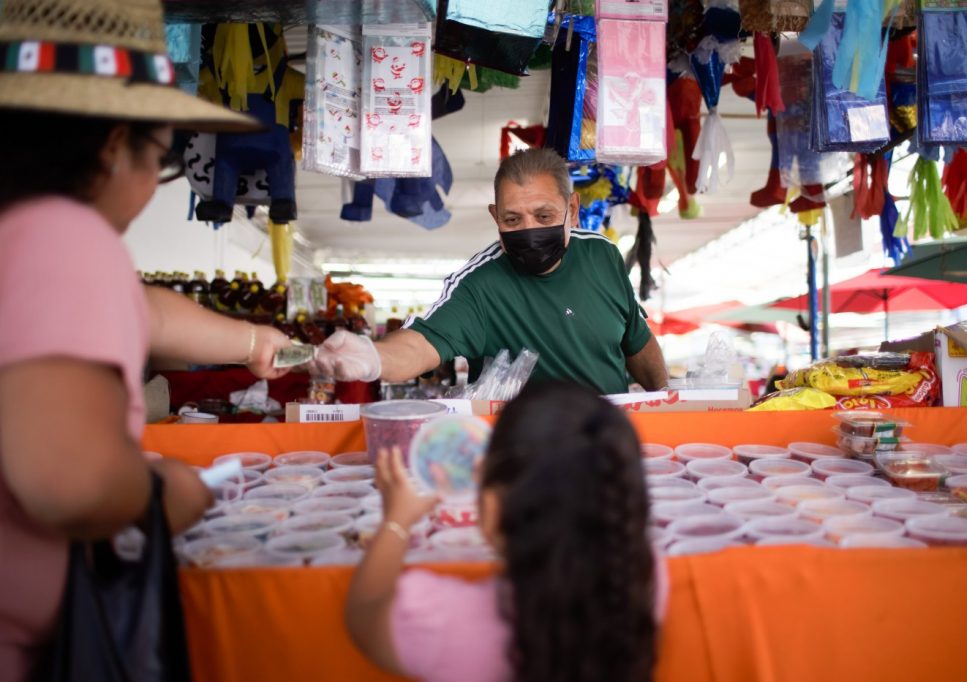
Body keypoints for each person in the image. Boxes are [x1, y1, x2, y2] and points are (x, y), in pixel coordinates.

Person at [0, 0, 293, 677]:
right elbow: (72, 483)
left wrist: (253, 342)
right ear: (112, 144)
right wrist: (164, 492)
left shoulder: (18, 235)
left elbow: (145, 313)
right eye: (161, 159)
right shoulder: (62, 234)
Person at [346, 381, 667, 682]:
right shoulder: (645, 578)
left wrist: (396, 521)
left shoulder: (440, 620)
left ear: (493, 507)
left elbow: (363, 613)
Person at [313, 148, 668, 395]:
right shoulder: (479, 286)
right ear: (495, 217)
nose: (529, 230)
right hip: (527, 463)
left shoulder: (602, 255)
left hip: (612, 449)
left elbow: (637, 341)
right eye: (513, 219)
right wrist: (373, 357)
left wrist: (666, 400)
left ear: (571, 210)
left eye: (544, 216)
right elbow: (420, 344)